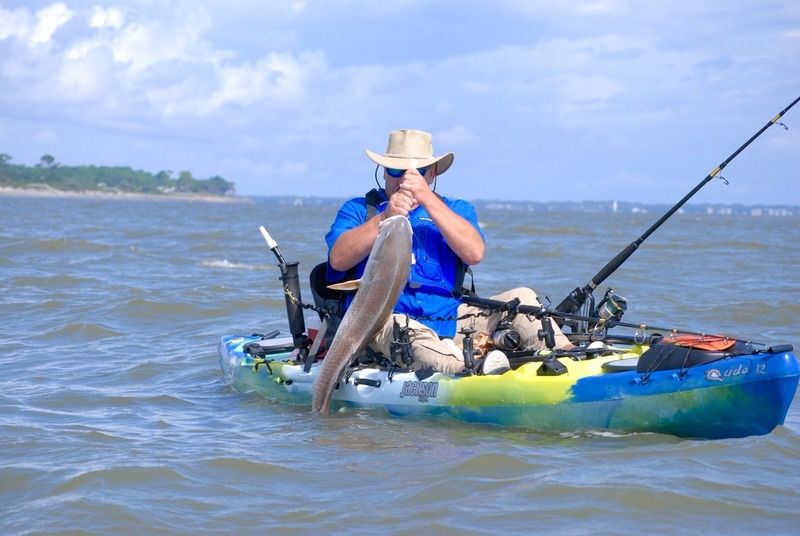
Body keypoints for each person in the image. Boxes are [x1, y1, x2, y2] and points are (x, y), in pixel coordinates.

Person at [325, 129, 573, 374]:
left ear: (431, 173)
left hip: (450, 318)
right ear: (384, 172)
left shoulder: (456, 208)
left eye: (417, 172)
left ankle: (570, 353)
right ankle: (468, 370)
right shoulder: (358, 210)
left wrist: (426, 198)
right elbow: (337, 259)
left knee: (523, 296)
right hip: (385, 322)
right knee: (404, 327)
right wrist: (385, 216)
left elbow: (474, 253)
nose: (404, 180)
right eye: (396, 171)